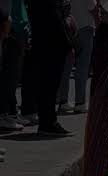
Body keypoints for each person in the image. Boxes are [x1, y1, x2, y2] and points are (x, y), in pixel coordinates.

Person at [26, 0, 74, 135]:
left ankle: (46, 122)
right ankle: (48, 123)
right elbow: (56, 20)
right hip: (52, 45)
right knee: (50, 86)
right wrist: (68, 43)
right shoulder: (49, 6)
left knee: (46, 86)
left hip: (42, 43)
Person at [57, 0, 98, 113]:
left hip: (68, 28)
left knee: (66, 66)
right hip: (85, 28)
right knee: (82, 67)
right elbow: (93, 9)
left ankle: (63, 101)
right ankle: (79, 102)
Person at [0, 9, 24, 131]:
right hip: (10, 27)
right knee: (8, 78)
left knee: (10, 78)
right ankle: (4, 114)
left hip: (11, 27)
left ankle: (7, 113)